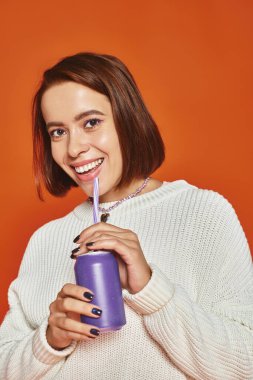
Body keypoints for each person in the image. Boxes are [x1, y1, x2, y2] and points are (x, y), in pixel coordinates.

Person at [0, 52, 253, 380]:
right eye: (58, 132)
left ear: (127, 117)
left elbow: (245, 365)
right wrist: (49, 340)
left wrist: (151, 288)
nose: (73, 148)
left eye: (90, 122)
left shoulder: (204, 214)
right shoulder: (46, 239)